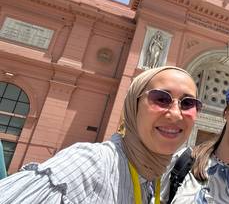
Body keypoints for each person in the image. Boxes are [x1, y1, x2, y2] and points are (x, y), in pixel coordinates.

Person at [0, 66, 202, 203]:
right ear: (133, 105)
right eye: (161, 98)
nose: (176, 114)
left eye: (188, 103)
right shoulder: (88, 164)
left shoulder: (152, 176)